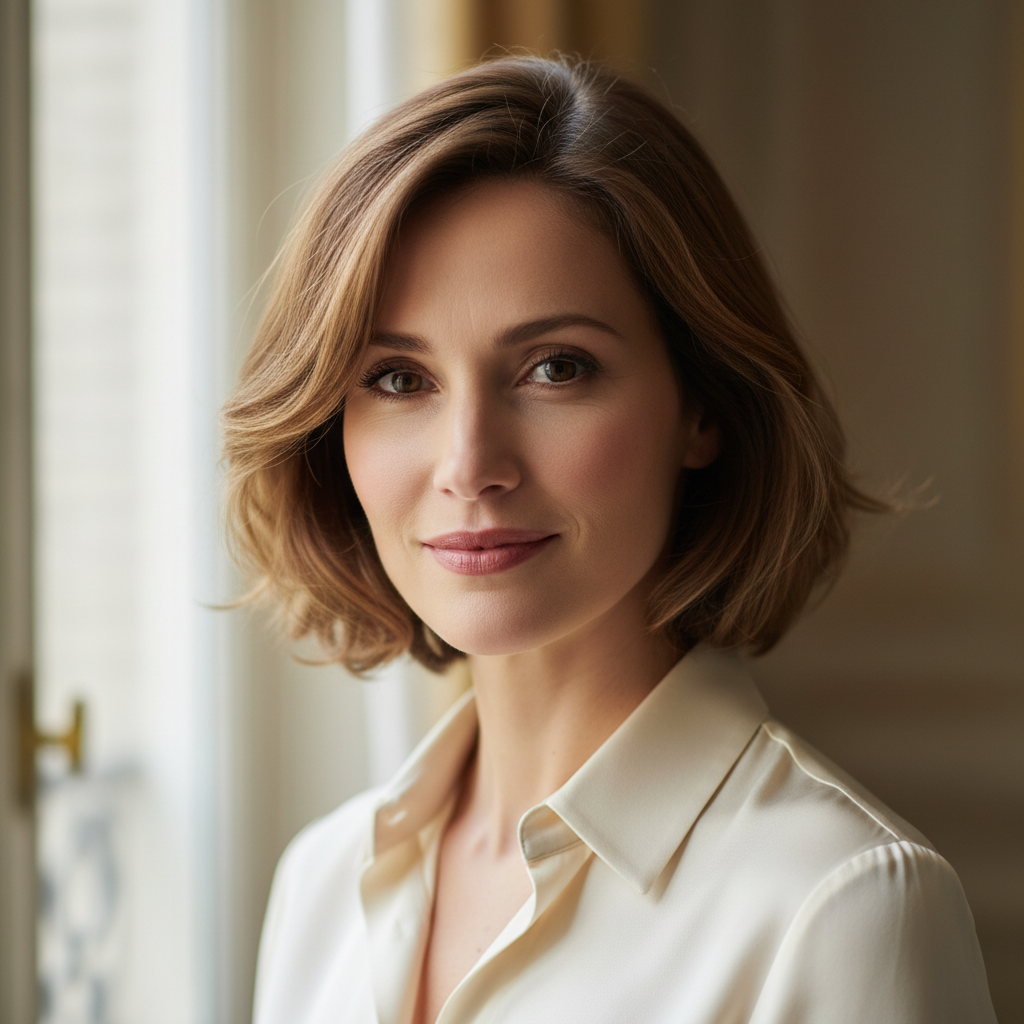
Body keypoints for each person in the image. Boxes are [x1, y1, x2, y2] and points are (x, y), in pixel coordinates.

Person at [221, 56, 996, 1024]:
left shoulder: (841, 908)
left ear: (701, 407)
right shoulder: (323, 883)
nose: (469, 463)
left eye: (555, 367)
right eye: (397, 378)